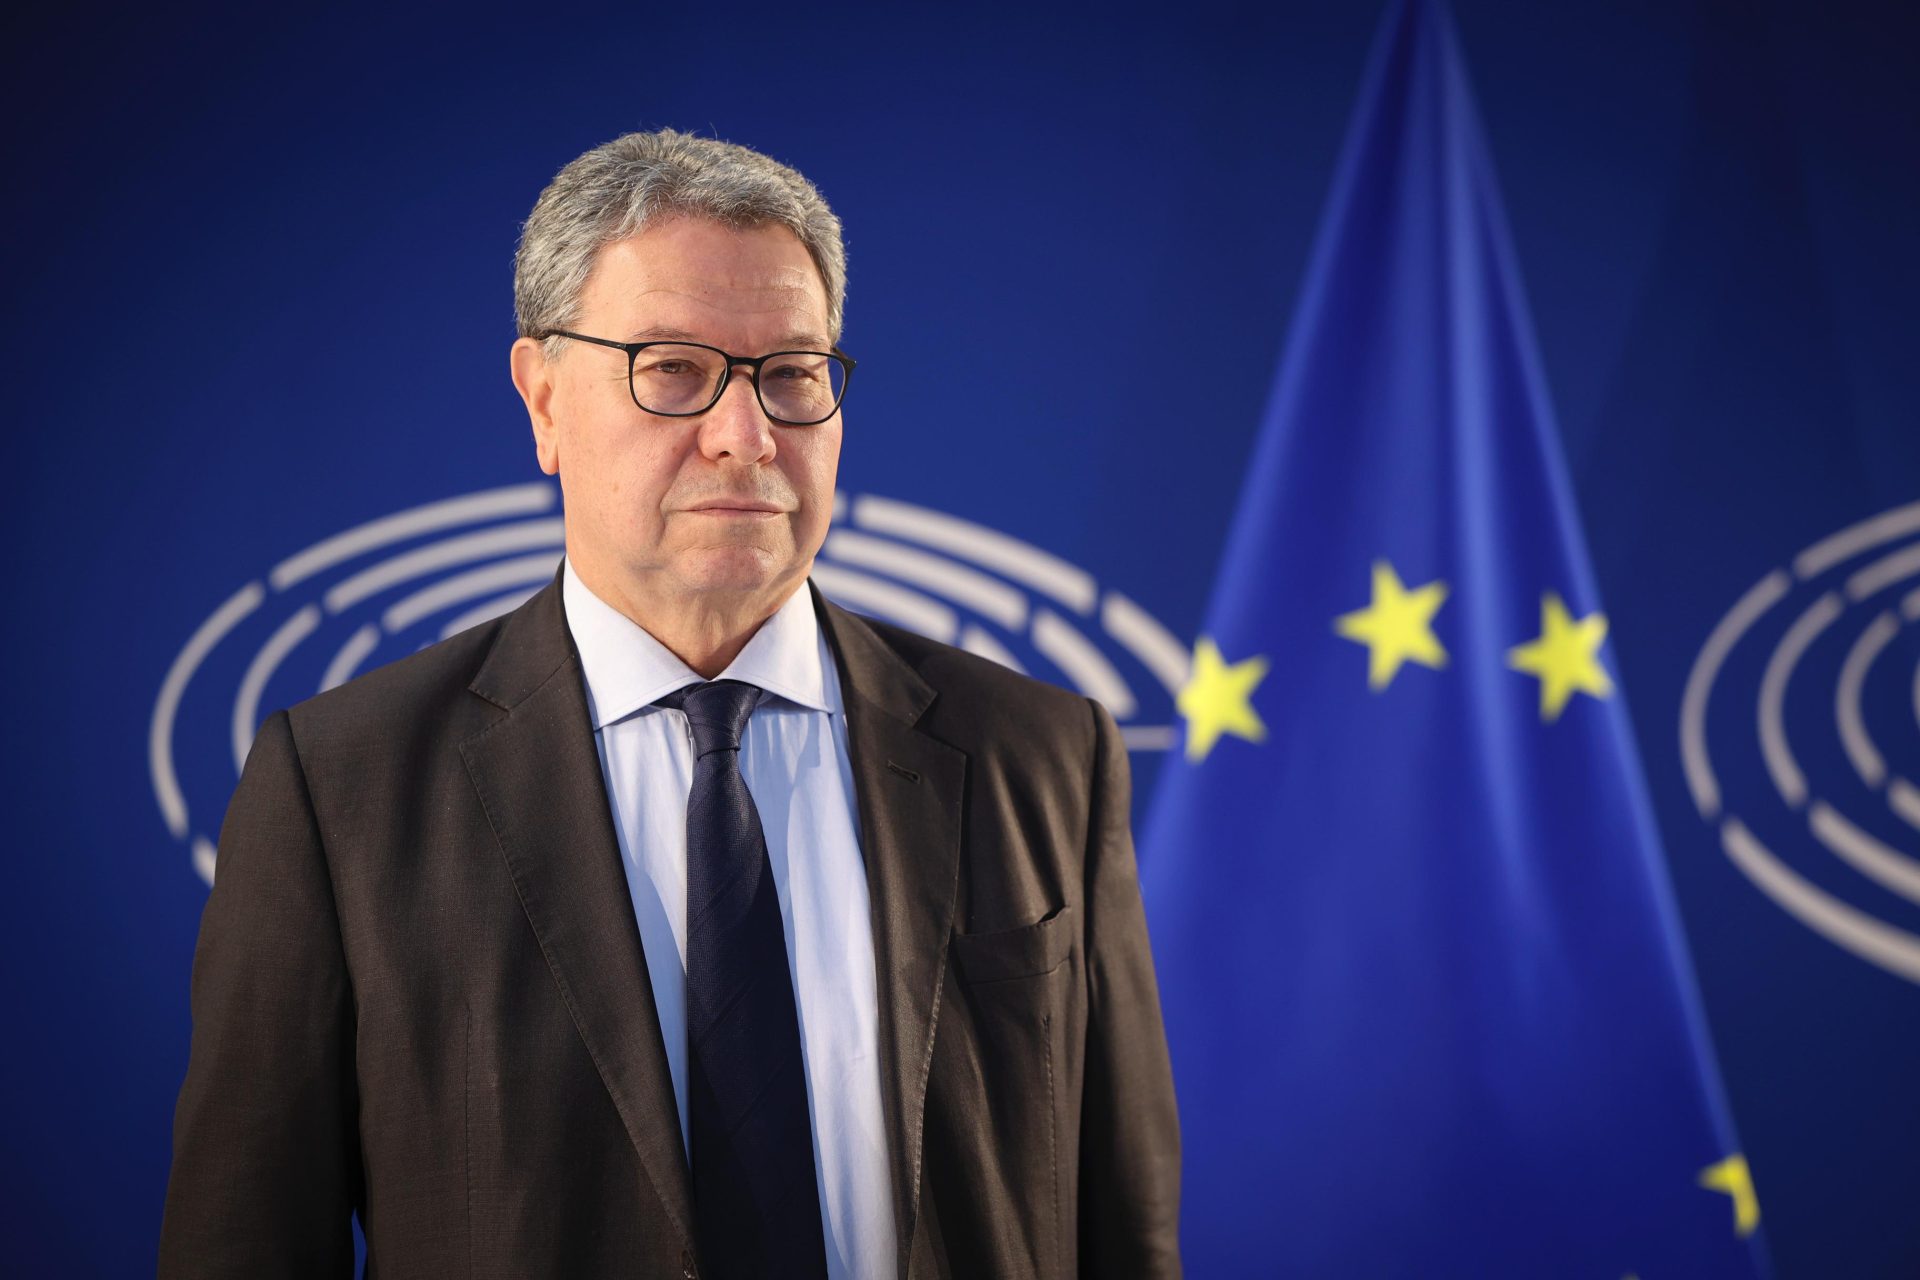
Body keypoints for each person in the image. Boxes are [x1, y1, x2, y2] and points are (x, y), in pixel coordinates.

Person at [158, 128, 1179, 1279]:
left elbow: (1127, 1236)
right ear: (544, 399)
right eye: (675, 369)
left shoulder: (1043, 755)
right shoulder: (340, 791)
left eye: (791, 373)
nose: (746, 435)